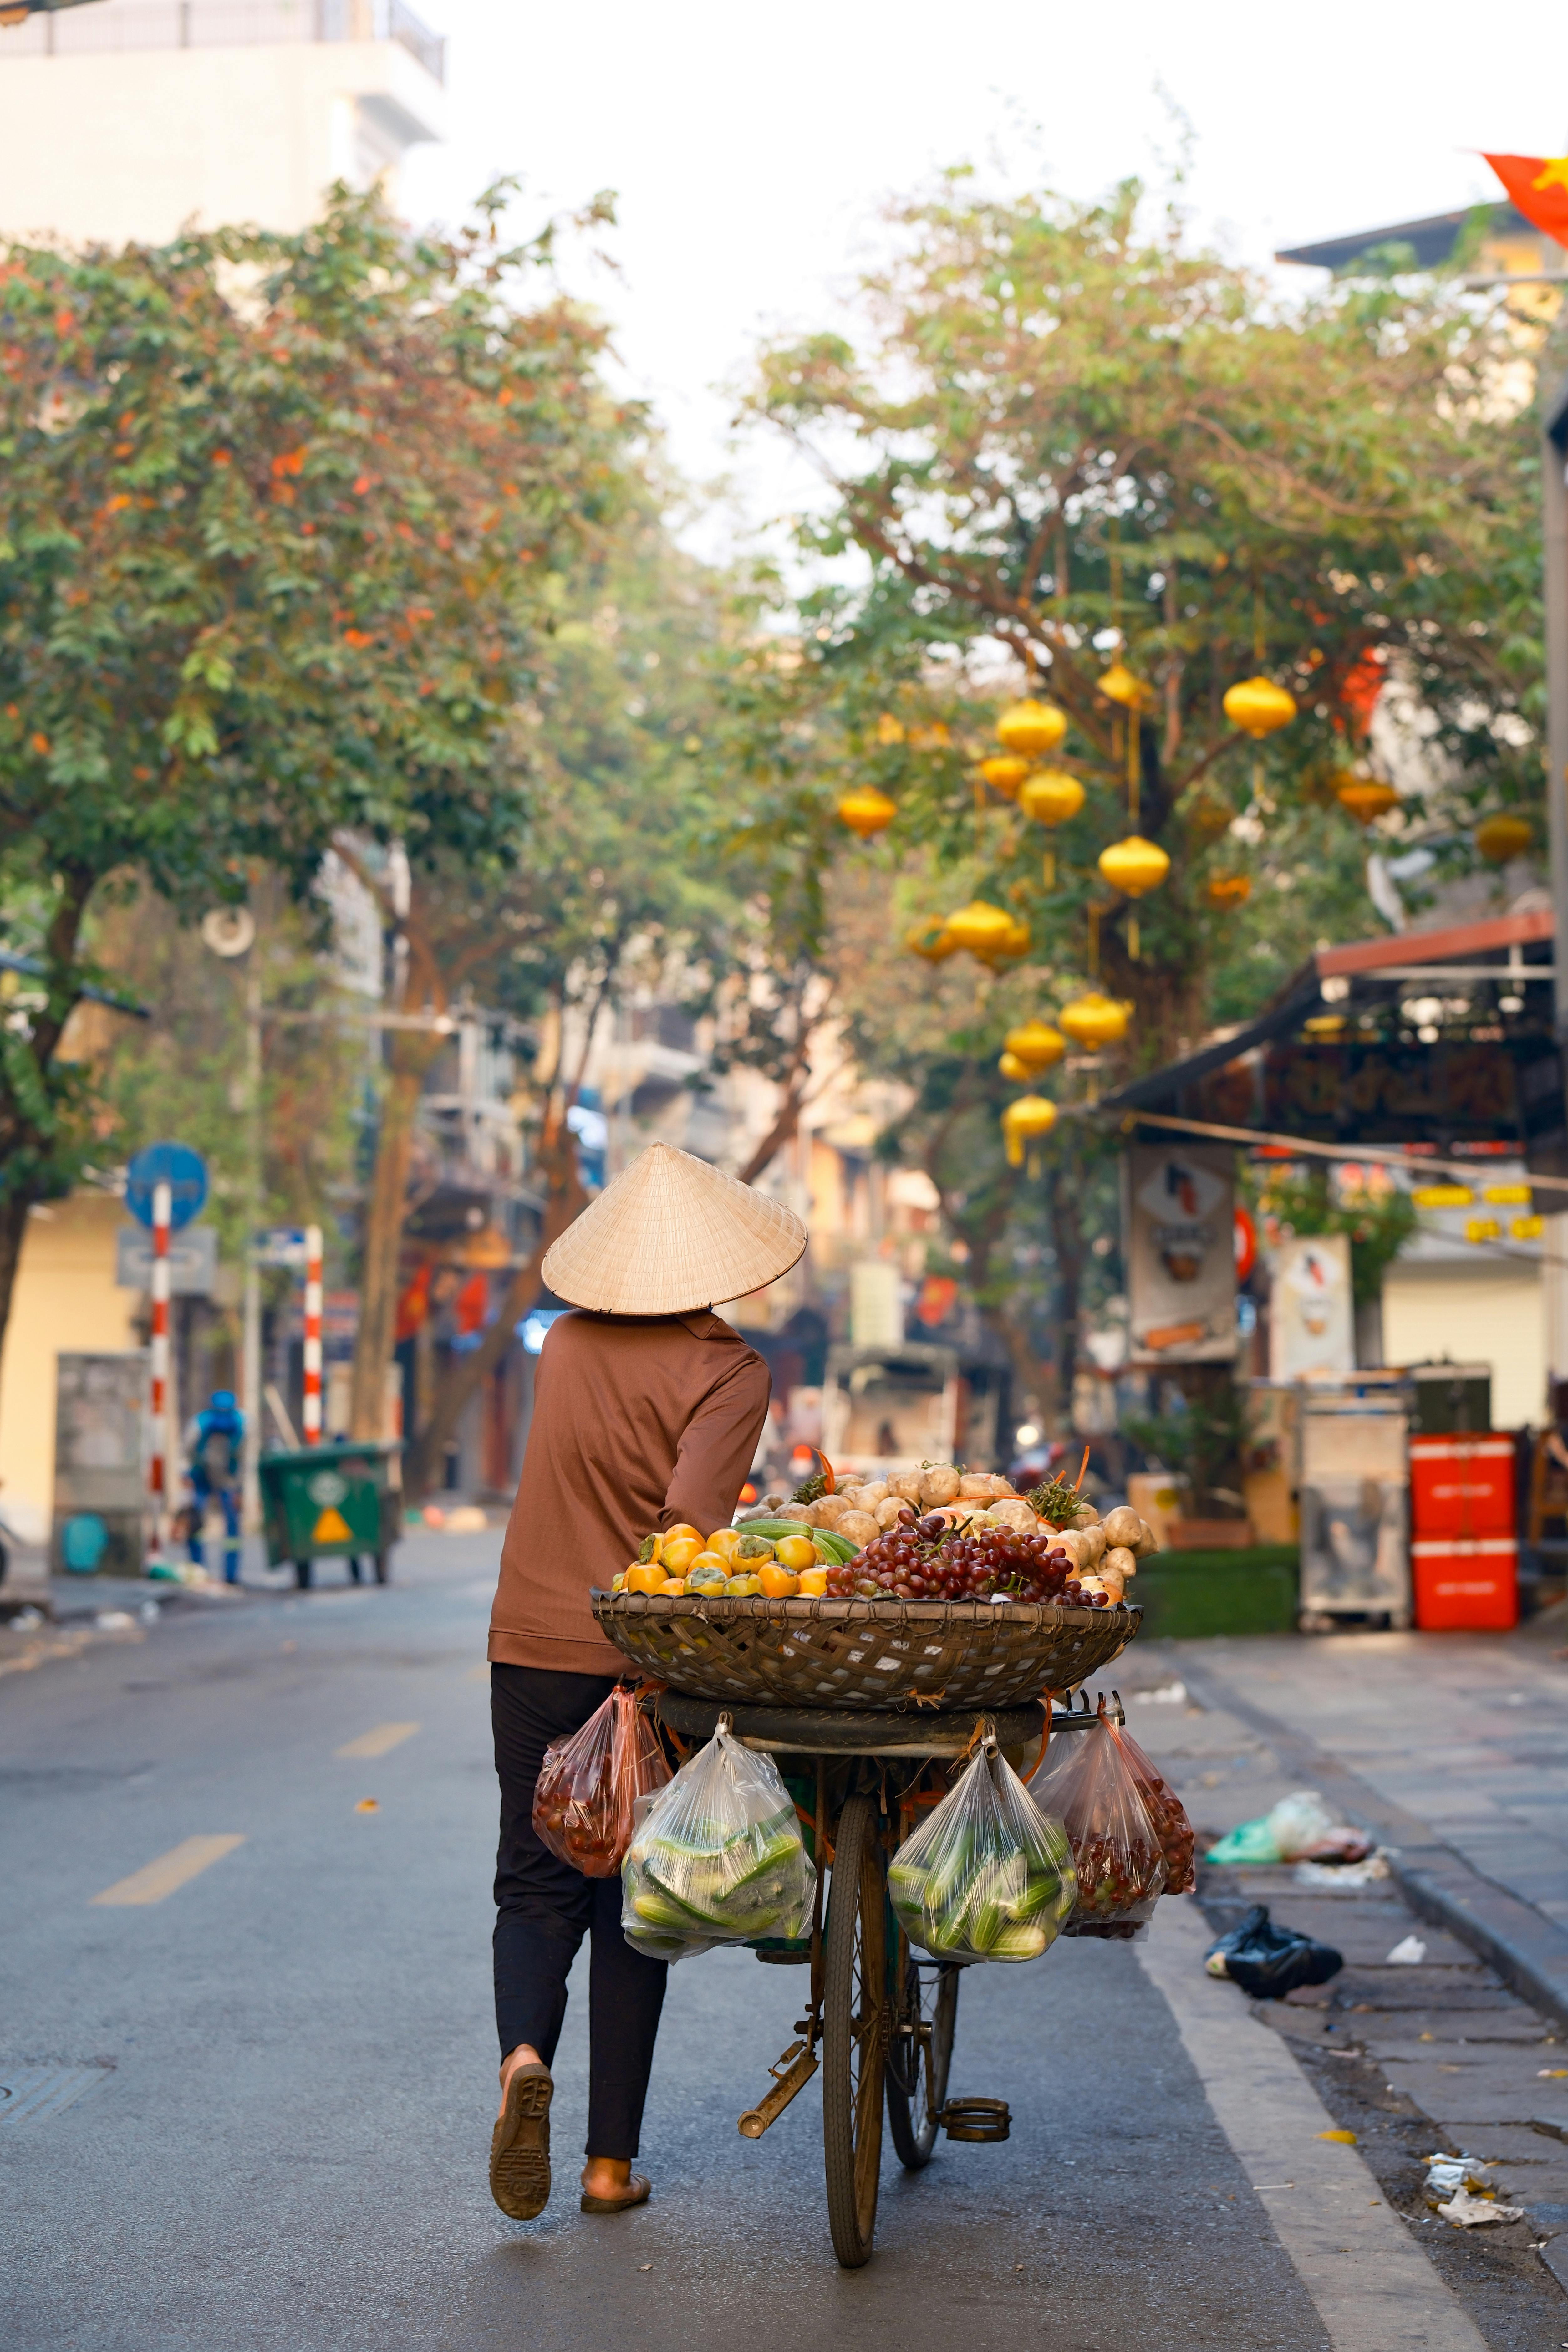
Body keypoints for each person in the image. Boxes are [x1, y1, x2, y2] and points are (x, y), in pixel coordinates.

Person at [486, 1142, 806, 2223]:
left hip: (527, 1642)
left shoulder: (565, 1342)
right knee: (633, 1898)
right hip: (637, 1664)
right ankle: (607, 2165)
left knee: (534, 1879)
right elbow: (690, 1534)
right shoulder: (729, 1370)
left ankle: (524, 2056)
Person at [185, 1388, 245, 1584]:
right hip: (202, 1476)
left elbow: (243, 1459)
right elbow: (187, 1452)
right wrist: (187, 1475)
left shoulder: (242, 1426)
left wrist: (239, 1489)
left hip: (228, 1479)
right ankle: (198, 1569)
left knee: (233, 1527)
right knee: (195, 1522)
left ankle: (230, 1575)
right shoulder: (200, 1425)